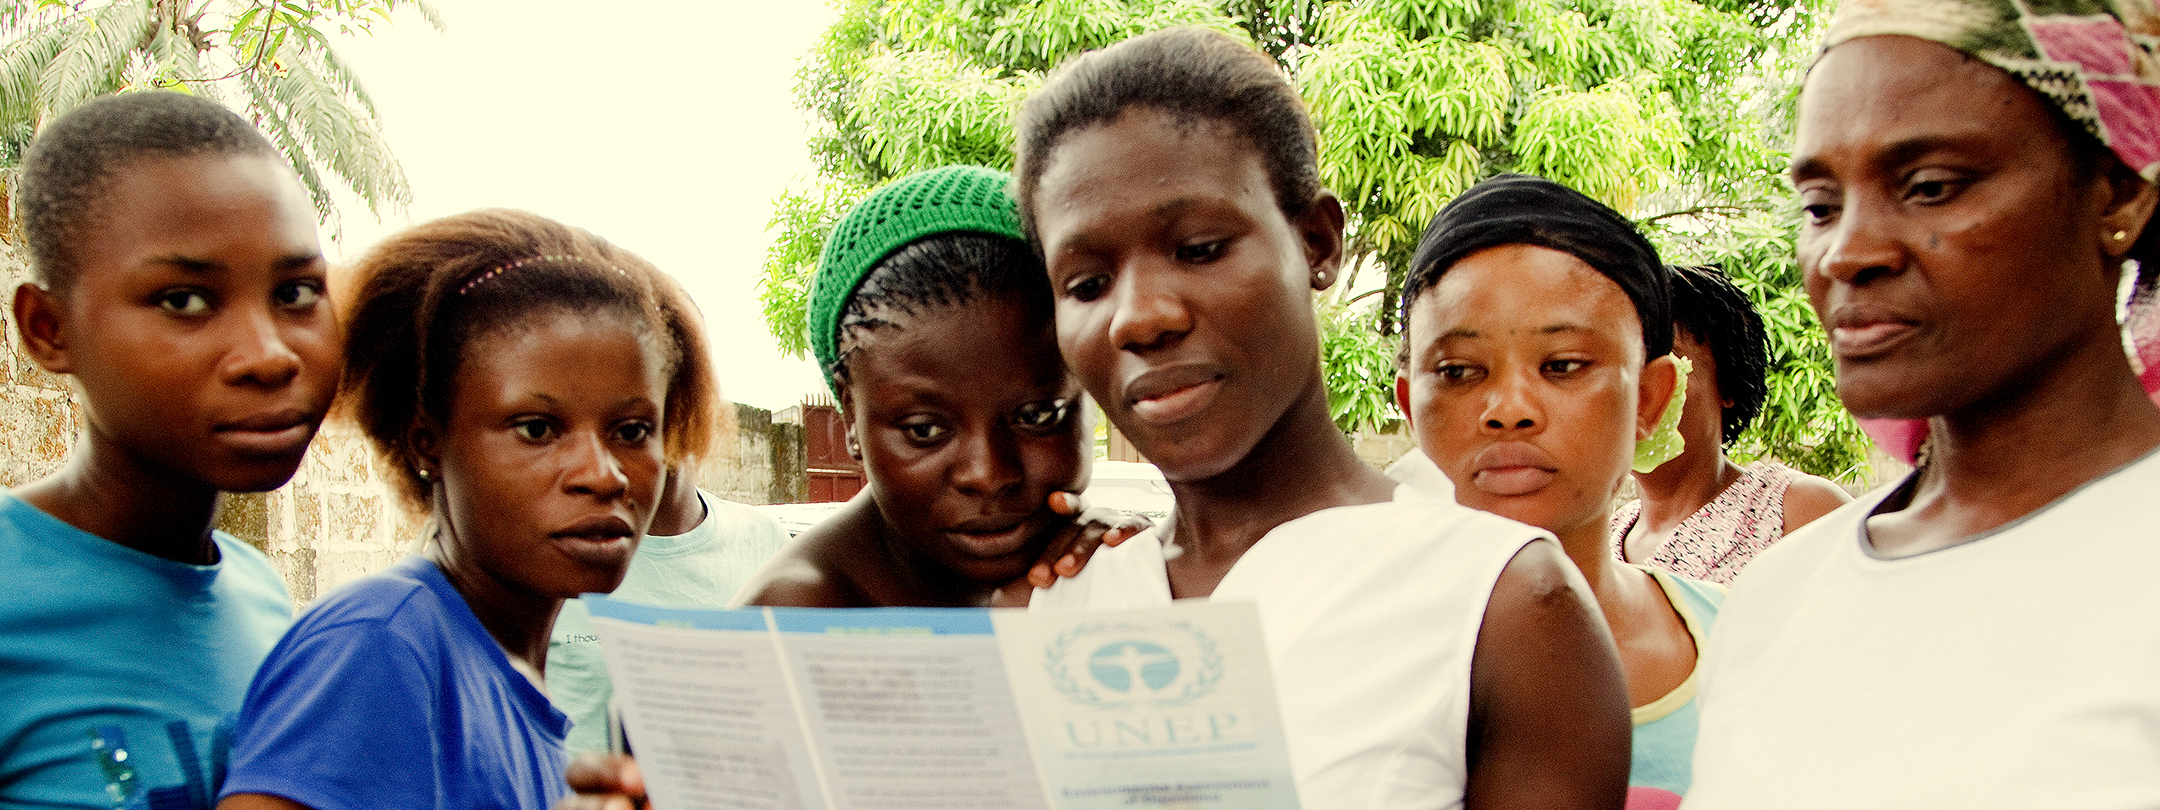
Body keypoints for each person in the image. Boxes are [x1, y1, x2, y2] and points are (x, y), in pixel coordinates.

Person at [1021, 29, 1628, 810]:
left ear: (1317, 242)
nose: (1140, 316)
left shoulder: (1505, 604)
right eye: (1087, 282)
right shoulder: (1062, 597)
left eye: (1201, 248)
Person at [1685, 0, 2160, 804]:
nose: (1846, 253)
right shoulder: (1782, 595)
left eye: (1930, 187)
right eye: (1819, 207)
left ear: (2116, 195)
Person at [217, 209, 713, 810]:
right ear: (428, 443)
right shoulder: (380, 645)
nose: (603, 475)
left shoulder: (506, 673)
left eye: (633, 431)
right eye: (537, 428)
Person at [0, 91, 326, 810]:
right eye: (184, 300)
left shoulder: (264, 599)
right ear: (48, 328)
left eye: (297, 292)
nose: (269, 355)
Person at [1393, 174, 1719, 801]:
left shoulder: (1750, 640)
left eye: (1563, 365)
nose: (1509, 409)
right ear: (1411, 404)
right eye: (1459, 371)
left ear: (1650, 400)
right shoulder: (1336, 652)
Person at [734, 164, 1146, 608]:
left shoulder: (1081, 564)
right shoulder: (793, 617)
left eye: (1037, 417)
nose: (988, 475)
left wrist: (1140, 577)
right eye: (924, 430)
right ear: (851, 416)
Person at [1610, 265, 1850, 583]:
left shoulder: (1798, 510)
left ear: (1727, 384)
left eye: (1668, 363)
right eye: (1623, 365)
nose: (1641, 391)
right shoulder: (1605, 540)